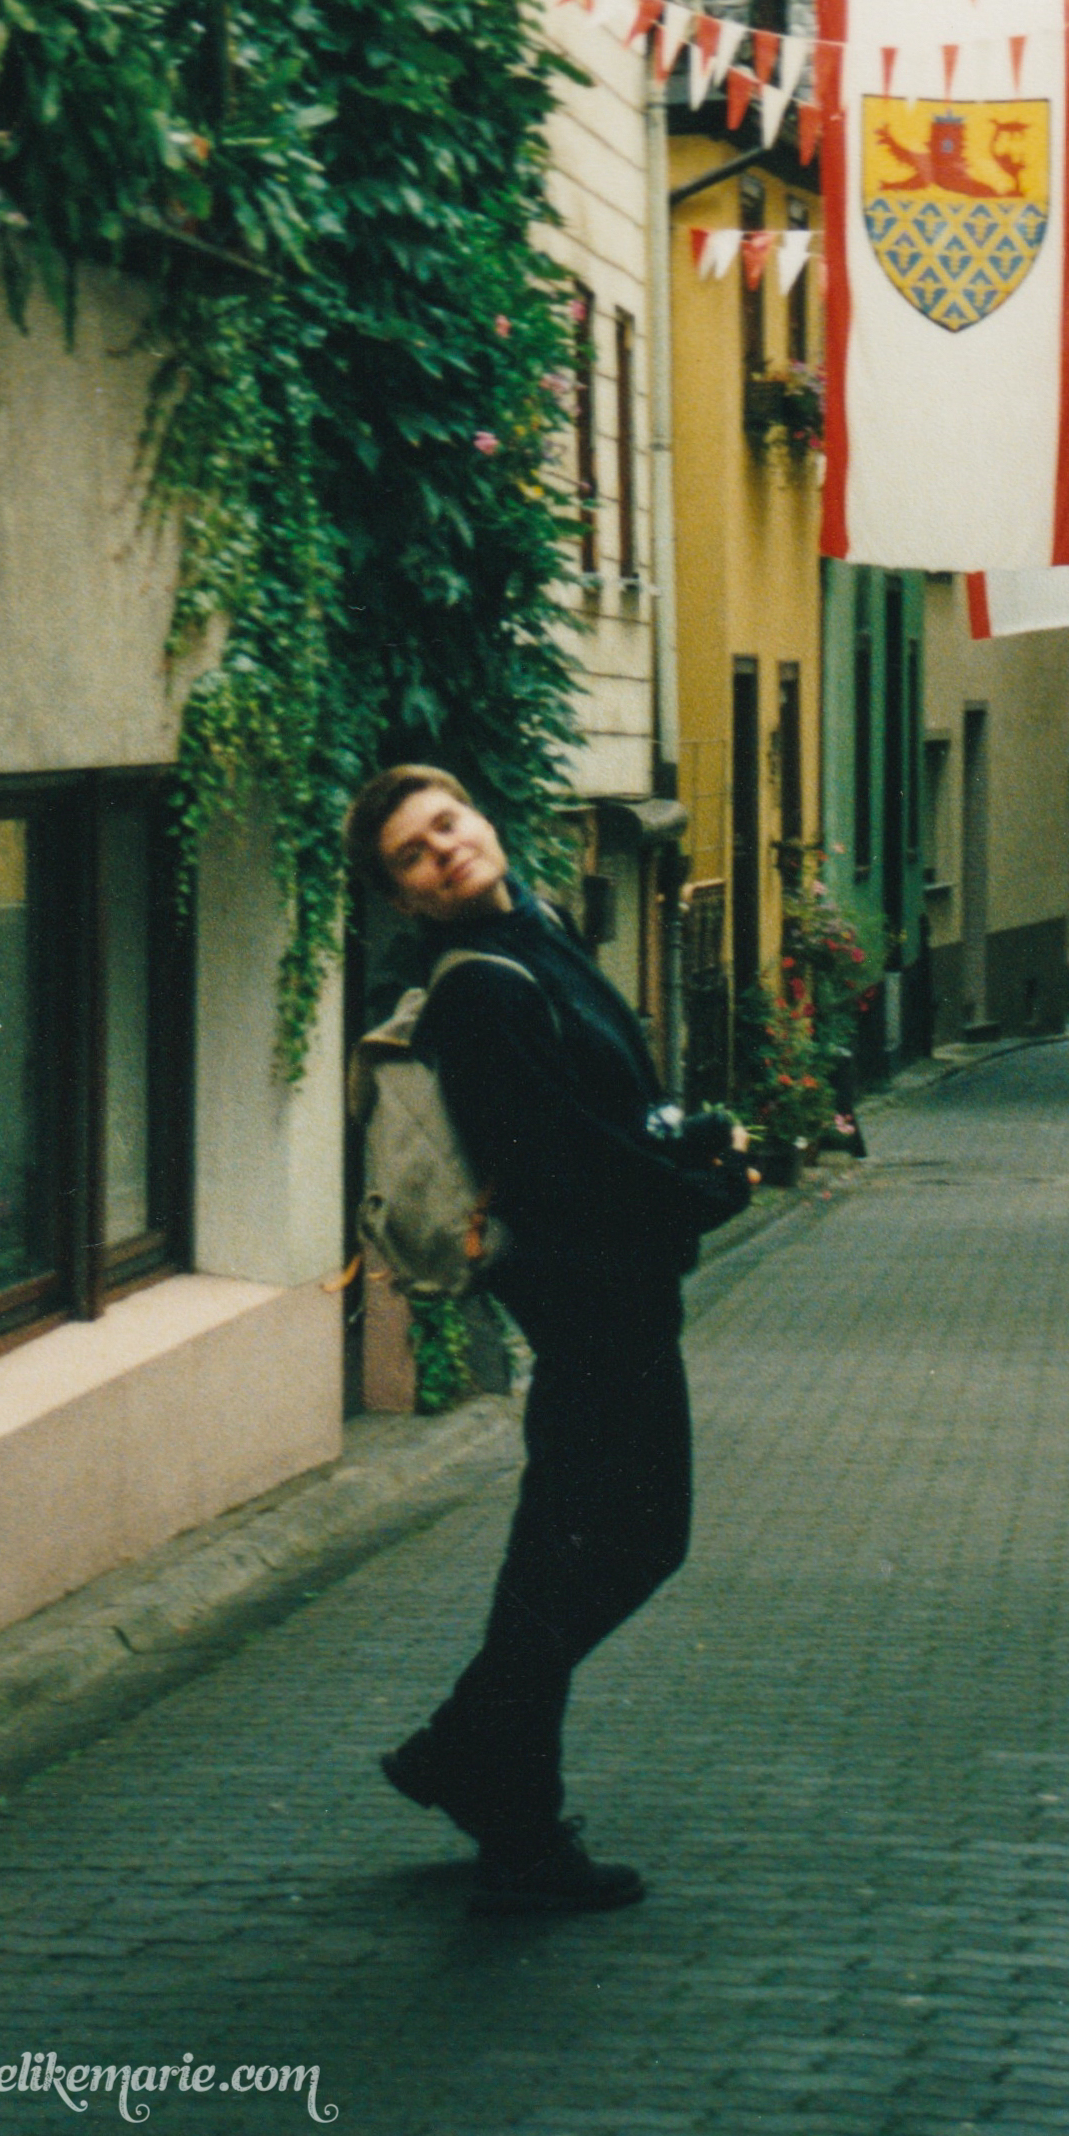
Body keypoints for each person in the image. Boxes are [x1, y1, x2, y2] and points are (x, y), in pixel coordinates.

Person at [344, 763, 752, 1918]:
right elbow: (559, 1158)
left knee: (566, 1549)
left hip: (613, 1290)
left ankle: (474, 1760)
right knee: (624, 1541)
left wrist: (691, 1146)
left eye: (448, 823)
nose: (444, 850)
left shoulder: (536, 927)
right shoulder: (476, 990)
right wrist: (700, 1193)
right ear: (407, 897)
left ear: (481, 819)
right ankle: (502, 1800)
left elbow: (612, 1098)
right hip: (585, 1299)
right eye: (414, 855)